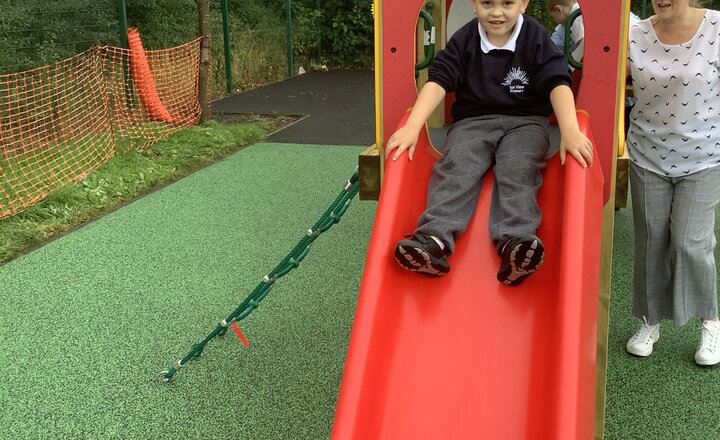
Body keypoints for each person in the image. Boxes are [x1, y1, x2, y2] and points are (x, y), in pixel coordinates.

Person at [385, 0, 593, 286]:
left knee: (519, 168)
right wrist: (412, 125)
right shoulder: (466, 38)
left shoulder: (533, 37)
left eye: (507, 3)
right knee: (456, 165)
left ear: (523, 4)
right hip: (473, 121)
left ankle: (515, 244)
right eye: (487, 3)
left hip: (526, 121)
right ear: (473, 5)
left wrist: (569, 129)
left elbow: (557, 81)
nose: (496, 12)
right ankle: (434, 240)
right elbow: (439, 80)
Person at [625, 0, 720, 366]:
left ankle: (710, 322)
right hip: (648, 153)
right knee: (650, 240)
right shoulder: (633, 33)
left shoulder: (715, 27)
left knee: (689, 242)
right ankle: (651, 320)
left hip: (704, 157)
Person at [546, 0, 584, 64]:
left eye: (553, 17)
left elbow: (582, 49)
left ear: (559, 10)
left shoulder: (576, 19)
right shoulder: (581, 10)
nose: (554, 20)